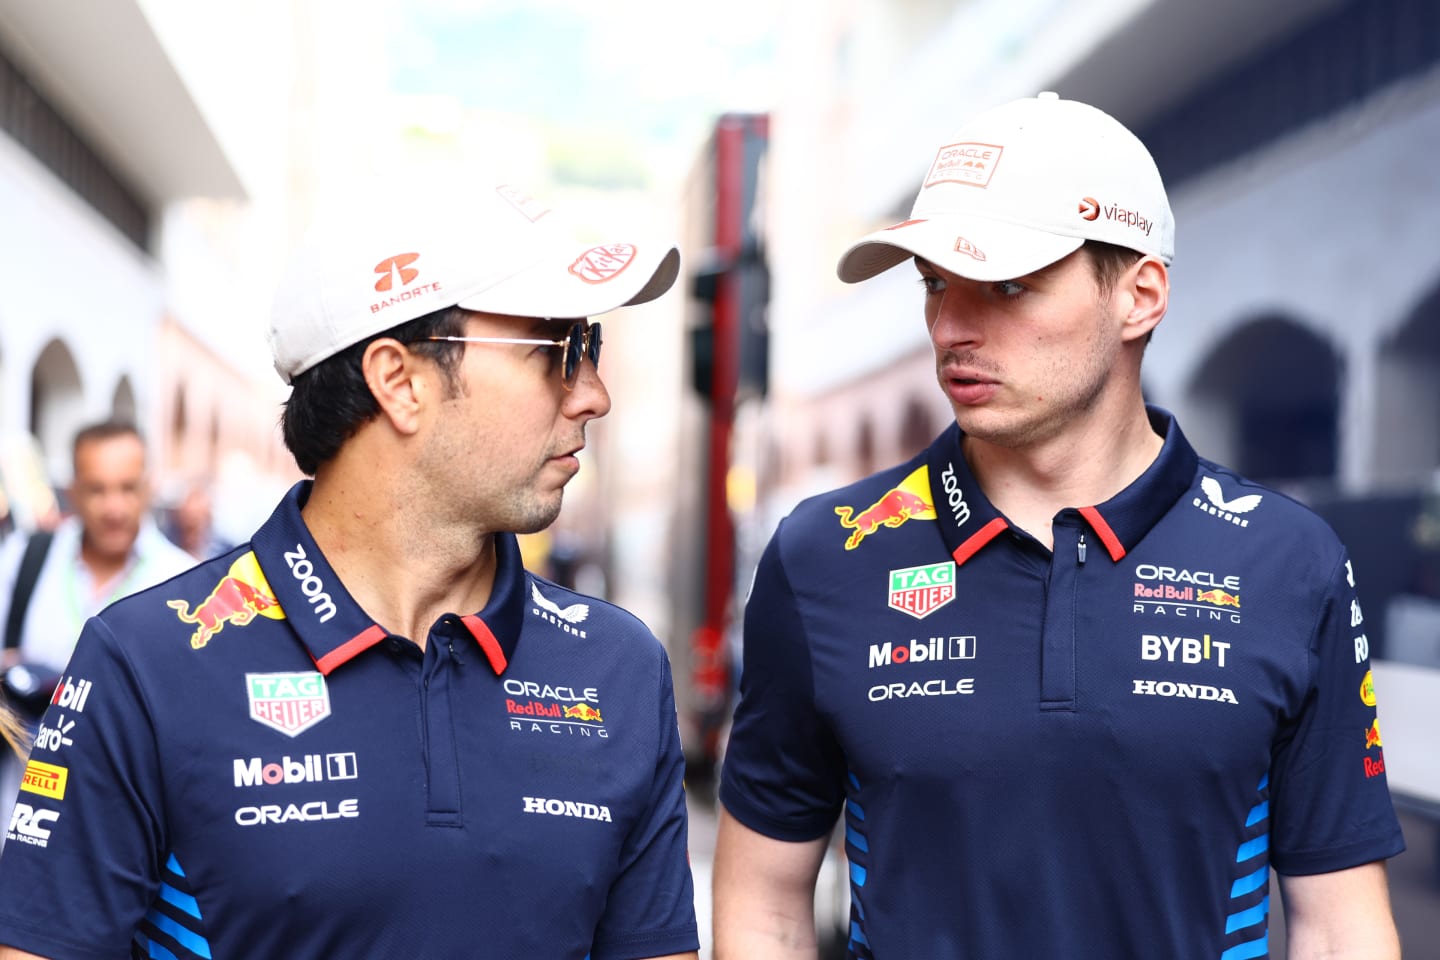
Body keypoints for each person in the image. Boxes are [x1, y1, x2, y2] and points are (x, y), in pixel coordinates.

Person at [713, 93, 1405, 958]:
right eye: (935, 283)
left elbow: (1342, 930)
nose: (952, 327)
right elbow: (765, 910)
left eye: (1008, 285)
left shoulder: (1288, 563)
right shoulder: (827, 554)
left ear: (1140, 296)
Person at [0, 181, 700, 959]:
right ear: (399, 381)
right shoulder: (147, 663)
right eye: (559, 350)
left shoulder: (618, 667)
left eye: (591, 348)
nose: (593, 395)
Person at [0, 422, 193, 839]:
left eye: (127, 487)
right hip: (18, 821)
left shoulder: (183, 581)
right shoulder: (25, 559)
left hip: (125, 839)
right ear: (72, 491)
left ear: (149, 487)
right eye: (97, 489)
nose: (114, 507)